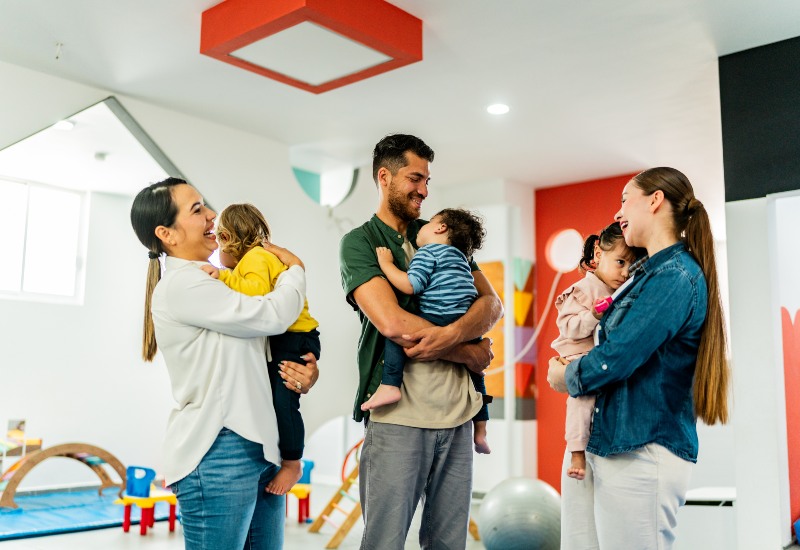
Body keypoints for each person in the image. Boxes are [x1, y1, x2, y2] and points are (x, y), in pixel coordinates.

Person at [130, 177, 319, 550]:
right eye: (197, 209)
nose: (212, 215)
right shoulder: (183, 285)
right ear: (167, 234)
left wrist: (302, 373)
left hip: (260, 446)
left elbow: (261, 351)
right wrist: (295, 270)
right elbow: (272, 316)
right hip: (219, 451)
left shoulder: (218, 283)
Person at [547, 167, 730, 549]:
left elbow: (618, 357)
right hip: (604, 441)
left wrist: (567, 376)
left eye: (625, 199)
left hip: (640, 450)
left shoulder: (674, 277)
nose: (618, 213)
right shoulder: (642, 276)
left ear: (655, 200)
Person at [338, 134, 503, 549]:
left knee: (449, 544)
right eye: (415, 178)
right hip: (399, 420)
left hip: (458, 417)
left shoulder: (441, 237)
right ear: (384, 177)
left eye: (427, 180)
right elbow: (393, 323)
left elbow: (491, 303)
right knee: (385, 542)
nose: (424, 190)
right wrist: (466, 349)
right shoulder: (361, 242)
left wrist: (451, 335)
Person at [199, 203, 321, 496]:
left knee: (283, 400)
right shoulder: (256, 260)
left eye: (219, 243)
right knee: (274, 396)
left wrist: (222, 276)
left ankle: (292, 463)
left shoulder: (255, 258)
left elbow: (256, 294)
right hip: (287, 337)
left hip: (294, 337)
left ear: (227, 238)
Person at [361, 207, 493, 454]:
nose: (421, 228)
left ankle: (390, 385)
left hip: (438, 313)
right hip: (464, 319)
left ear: (440, 228)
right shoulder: (462, 259)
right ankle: (481, 430)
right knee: (477, 374)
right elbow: (484, 298)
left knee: (397, 332)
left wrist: (386, 264)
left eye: (429, 222)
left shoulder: (429, 252)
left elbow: (411, 285)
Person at [550, 222, 636, 480]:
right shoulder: (583, 290)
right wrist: (593, 315)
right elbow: (568, 327)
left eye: (631, 266)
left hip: (598, 358)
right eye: (620, 262)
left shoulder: (622, 291)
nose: (625, 272)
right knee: (583, 398)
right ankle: (576, 451)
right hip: (577, 355)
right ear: (598, 254)